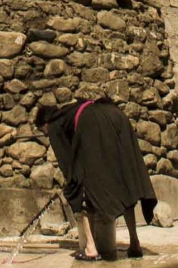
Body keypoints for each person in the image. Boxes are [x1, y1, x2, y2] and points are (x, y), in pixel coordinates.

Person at [36, 97, 157, 262]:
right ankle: (134, 243)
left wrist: (71, 183)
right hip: (115, 114)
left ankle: (91, 247)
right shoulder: (70, 112)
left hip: (93, 123)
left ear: (45, 124)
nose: (47, 135)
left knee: (79, 189)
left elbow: (66, 162)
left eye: (44, 132)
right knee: (124, 182)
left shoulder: (54, 124)